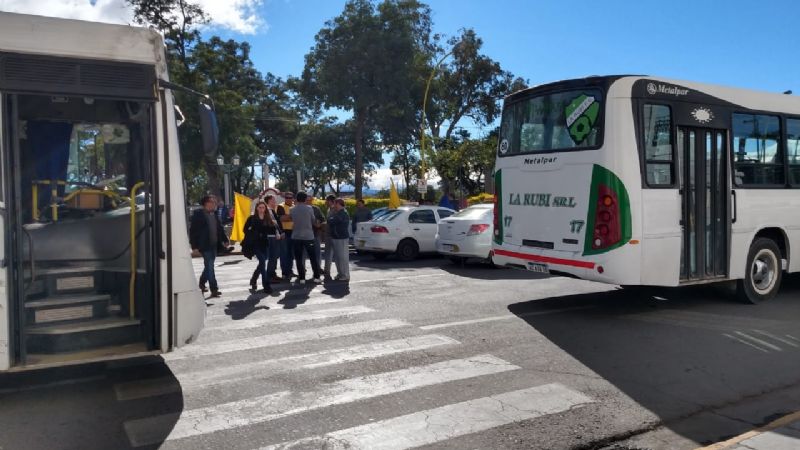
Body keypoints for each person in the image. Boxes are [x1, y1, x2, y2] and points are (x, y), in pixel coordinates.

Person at [190, 195, 229, 297]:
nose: (215, 204)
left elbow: (219, 229)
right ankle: (214, 289)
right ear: (206, 203)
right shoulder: (198, 215)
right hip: (204, 245)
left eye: (215, 202)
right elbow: (193, 232)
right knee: (210, 266)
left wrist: (225, 239)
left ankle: (202, 283)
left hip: (214, 245)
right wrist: (194, 247)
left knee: (208, 266)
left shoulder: (214, 214)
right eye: (213, 202)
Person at [290, 192, 322, 283]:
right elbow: (313, 221)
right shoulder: (309, 208)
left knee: (299, 258)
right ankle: (316, 277)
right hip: (308, 236)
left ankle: (302, 278)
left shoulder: (292, 209)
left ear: (296, 198)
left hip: (296, 236)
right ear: (305, 199)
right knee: (313, 257)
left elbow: (292, 219)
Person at [243, 201, 275, 294]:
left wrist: (274, 228)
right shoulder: (252, 218)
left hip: (265, 243)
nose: (261, 209)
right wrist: (253, 233)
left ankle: (254, 278)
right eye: (260, 207)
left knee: (262, 262)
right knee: (262, 261)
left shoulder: (267, 218)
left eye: (263, 208)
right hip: (255, 243)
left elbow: (272, 229)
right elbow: (245, 229)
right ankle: (266, 285)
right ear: (257, 208)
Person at [328, 197, 351, 281]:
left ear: (338, 204)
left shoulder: (343, 213)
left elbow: (332, 221)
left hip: (341, 238)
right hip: (336, 237)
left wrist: (331, 219)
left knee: (343, 257)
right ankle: (340, 273)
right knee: (337, 258)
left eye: (335, 204)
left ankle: (345, 275)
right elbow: (330, 220)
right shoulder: (337, 212)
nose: (334, 206)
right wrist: (331, 219)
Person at [265, 195, 284, 283]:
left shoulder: (272, 211)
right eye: (273, 200)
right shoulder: (266, 211)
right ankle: (269, 276)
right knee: (272, 257)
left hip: (276, 237)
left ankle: (272, 274)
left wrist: (281, 232)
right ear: (268, 201)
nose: (275, 202)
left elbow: (277, 223)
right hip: (271, 237)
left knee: (275, 256)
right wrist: (278, 232)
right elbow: (272, 225)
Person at [277, 192, 295, 280]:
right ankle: (284, 272)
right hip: (284, 232)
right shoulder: (280, 206)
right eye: (287, 197)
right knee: (284, 253)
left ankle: (290, 271)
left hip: (294, 232)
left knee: (291, 254)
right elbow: (281, 219)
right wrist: (292, 217)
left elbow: (287, 218)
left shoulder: (295, 206)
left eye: (290, 197)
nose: (288, 199)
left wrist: (288, 217)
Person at [323, 194, 336, 278]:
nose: (325, 202)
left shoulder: (336, 209)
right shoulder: (329, 209)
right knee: (328, 253)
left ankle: (341, 273)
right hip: (328, 234)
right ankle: (326, 270)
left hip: (334, 235)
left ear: (331, 201)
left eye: (327, 200)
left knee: (337, 254)